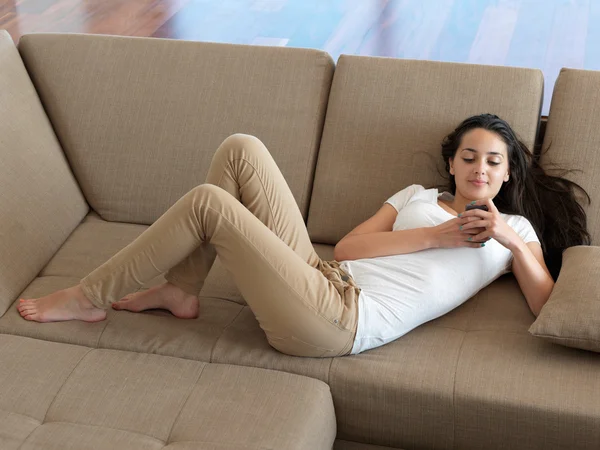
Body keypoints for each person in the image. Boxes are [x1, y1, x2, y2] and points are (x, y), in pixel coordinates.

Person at [16, 114, 590, 357]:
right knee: (241, 148)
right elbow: (346, 249)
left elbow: (544, 304)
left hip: (341, 323)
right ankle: (182, 290)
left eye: (493, 161)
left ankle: (87, 297)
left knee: (209, 203)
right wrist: (437, 236)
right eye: (469, 157)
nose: (480, 169)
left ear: (509, 172)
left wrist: (511, 244)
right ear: (453, 165)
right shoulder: (414, 197)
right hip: (324, 278)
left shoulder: (514, 229)